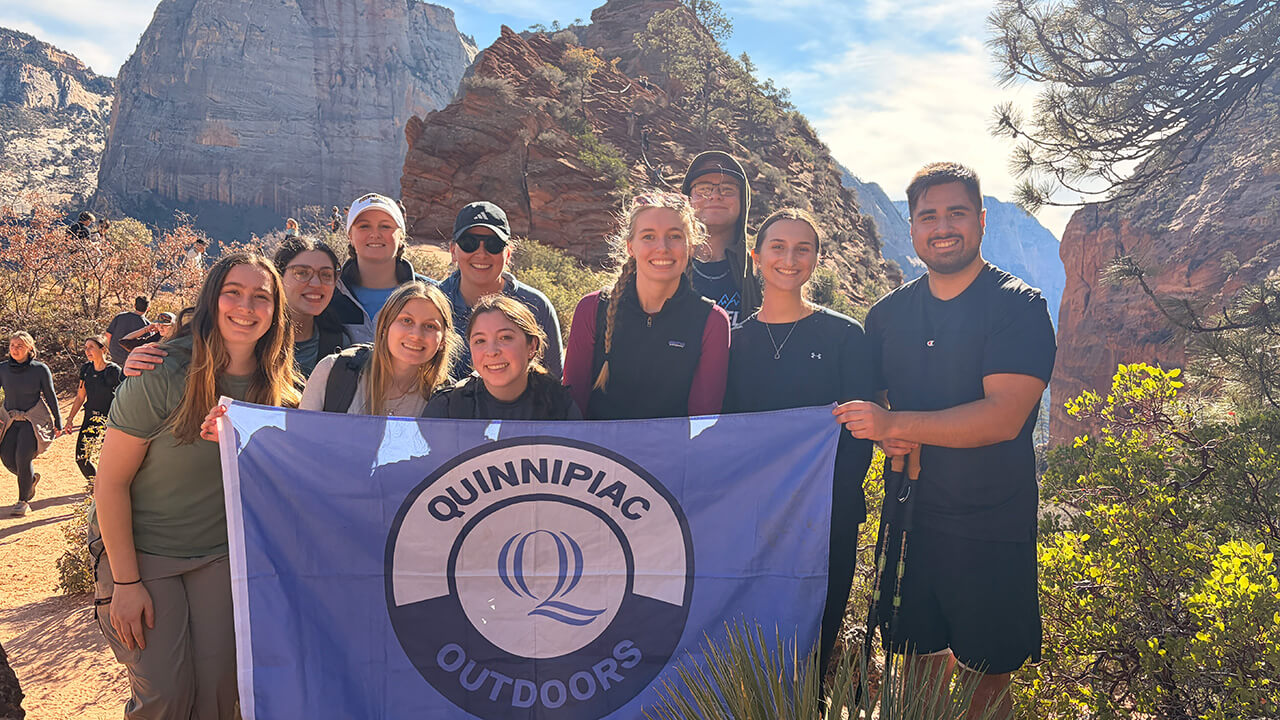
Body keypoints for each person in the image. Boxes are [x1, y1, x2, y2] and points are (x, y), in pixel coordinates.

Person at [834, 162, 1056, 719]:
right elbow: (873, 399)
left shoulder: (1018, 306)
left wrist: (895, 427)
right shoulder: (887, 315)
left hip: (991, 524)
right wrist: (884, 430)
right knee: (917, 668)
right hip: (909, 518)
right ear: (911, 227)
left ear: (980, 220)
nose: (942, 227)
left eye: (956, 212)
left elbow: (1002, 418)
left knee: (986, 681)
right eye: (928, 216)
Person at [89, 253, 300, 720]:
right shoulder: (160, 373)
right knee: (164, 696)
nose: (246, 306)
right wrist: (125, 583)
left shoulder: (283, 393)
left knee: (220, 695)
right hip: (143, 552)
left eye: (261, 297)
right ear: (211, 300)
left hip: (220, 555)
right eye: (233, 293)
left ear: (276, 311)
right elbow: (111, 483)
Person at [722, 208, 875, 672]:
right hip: (752, 521)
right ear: (756, 257)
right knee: (751, 641)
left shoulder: (845, 336)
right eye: (778, 247)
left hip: (826, 520)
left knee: (814, 644)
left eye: (802, 249)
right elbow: (726, 435)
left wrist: (823, 500)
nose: (789, 259)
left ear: (816, 260)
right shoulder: (733, 342)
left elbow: (858, 433)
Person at [562, 191, 731, 420]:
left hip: (674, 445)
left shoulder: (712, 322)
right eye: (649, 236)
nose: (662, 247)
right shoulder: (592, 309)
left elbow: (702, 422)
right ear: (630, 247)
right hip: (596, 445)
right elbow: (572, 414)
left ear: (690, 246)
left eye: (674, 236)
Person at [437, 202, 563, 379]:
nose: (481, 253)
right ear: (453, 251)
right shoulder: (434, 304)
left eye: (493, 244)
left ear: (508, 254)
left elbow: (553, 381)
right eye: (469, 243)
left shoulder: (536, 306)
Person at [300, 282, 458, 416]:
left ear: (443, 339)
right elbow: (300, 438)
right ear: (384, 327)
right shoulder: (333, 371)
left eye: (430, 326)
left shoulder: (449, 400)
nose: (416, 335)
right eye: (406, 321)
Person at [426, 294, 580, 420]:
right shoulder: (446, 408)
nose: (492, 351)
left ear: (532, 346)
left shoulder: (560, 406)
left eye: (505, 338)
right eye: (480, 341)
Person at [329, 193, 434, 344]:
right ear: (350, 236)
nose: (375, 234)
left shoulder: (430, 295)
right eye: (364, 226)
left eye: (385, 226)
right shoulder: (327, 294)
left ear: (401, 237)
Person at [681, 151, 761, 326]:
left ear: (743, 201)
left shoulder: (760, 272)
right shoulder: (664, 263)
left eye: (727, 189)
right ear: (688, 199)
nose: (715, 195)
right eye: (703, 189)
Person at [1, 332, 63, 517]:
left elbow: (50, 395)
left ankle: (23, 501)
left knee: (23, 457)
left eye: (19, 346)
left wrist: (58, 420)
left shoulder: (40, 369)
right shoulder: (3, 369)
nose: (15, 349)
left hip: (32, 420)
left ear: (29, 348)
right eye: (12, 345)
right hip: (9, 419)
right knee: (7, 458)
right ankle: (30, 479)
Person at [60, 335, 124, 481]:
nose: (87, 351)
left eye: (91, 347)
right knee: (81, 457)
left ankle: (110, 487)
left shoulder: (114, 371)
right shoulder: (86, 369)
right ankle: (94, 486)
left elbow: (124, 397)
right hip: (90, 417)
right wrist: (70, 419)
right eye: (85, 348)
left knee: (108, 459)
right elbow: (80, 396)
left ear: (103, 349)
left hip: (110, 421)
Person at [105, 297, 150, 363]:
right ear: (148, 308)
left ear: (134, 306)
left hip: (115, 356)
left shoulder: (120, 317)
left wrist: (110, 349)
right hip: (133, 360)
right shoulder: (148, 326)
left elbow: (108, 335)